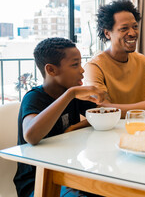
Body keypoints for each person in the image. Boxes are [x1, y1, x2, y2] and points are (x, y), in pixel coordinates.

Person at [14, 38, 105, 197]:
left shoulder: (71, 94)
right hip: (37, 183)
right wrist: (70, 94)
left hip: (68, 173)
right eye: (75, 64)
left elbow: (105, 112)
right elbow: (31, 135)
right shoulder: (34, 98)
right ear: (51, 70)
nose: (82, 70)